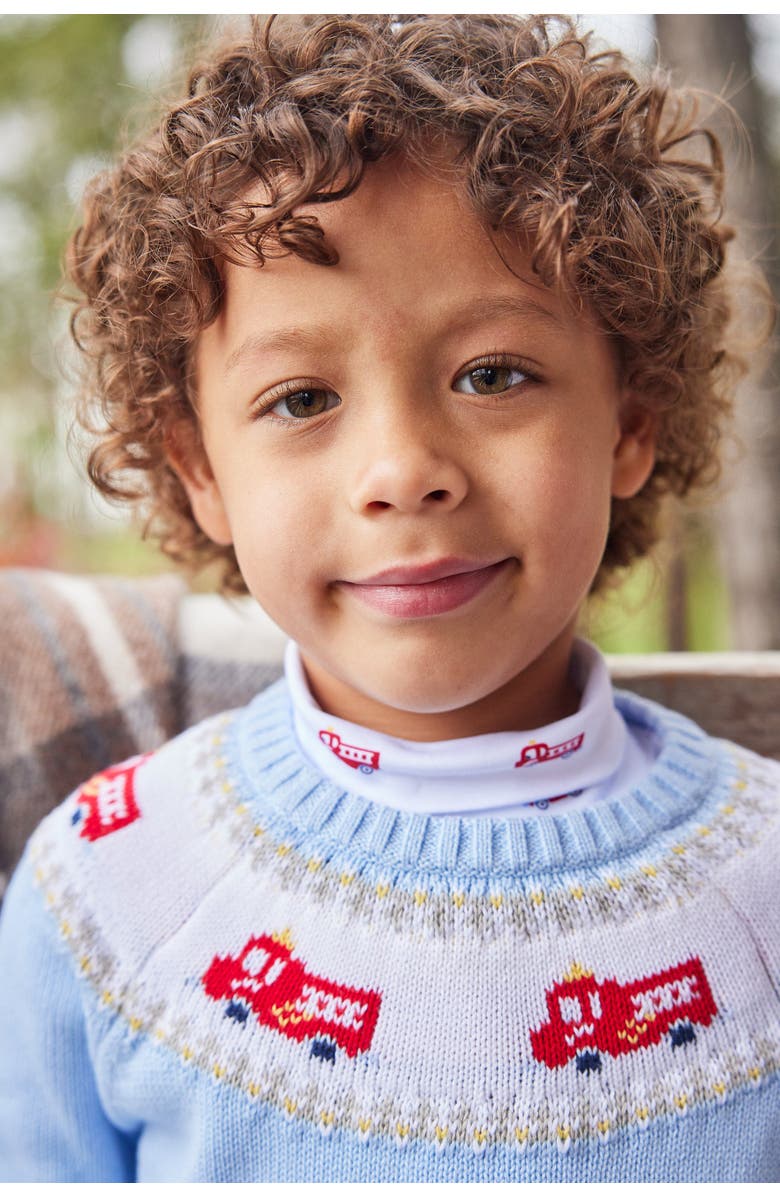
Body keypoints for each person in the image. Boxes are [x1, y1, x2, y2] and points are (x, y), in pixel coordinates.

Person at [0, 13, 777, 1182]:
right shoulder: (101, 891)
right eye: (302, 399)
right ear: (201, 469)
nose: (404, 469)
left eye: (493, 374)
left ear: (629, 423)